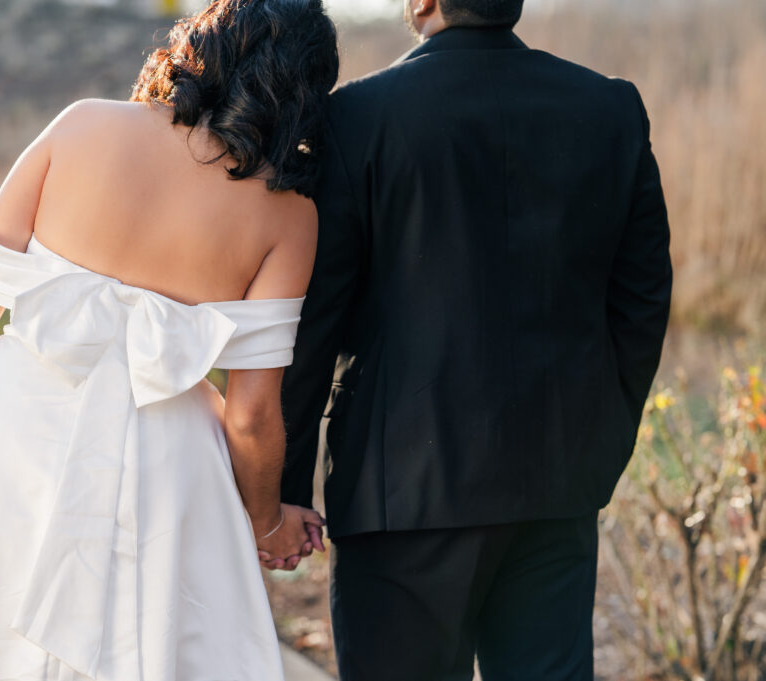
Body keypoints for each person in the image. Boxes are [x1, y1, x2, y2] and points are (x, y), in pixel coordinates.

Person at [0, 2, 337, 679]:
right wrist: (262, 522)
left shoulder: (81, 124)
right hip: (167, 467)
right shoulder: (289, 217)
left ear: (203, 44)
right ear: (306, 90)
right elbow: (253, 413)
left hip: (3, 432)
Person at [278, 0, 672, 679]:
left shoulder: (356, 117)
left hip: (400, 495)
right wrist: (596, 446)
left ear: (424, 1)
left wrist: (285, 486)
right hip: (556, 486)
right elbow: (641, 303)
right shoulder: (608, 109)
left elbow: (314, 322)